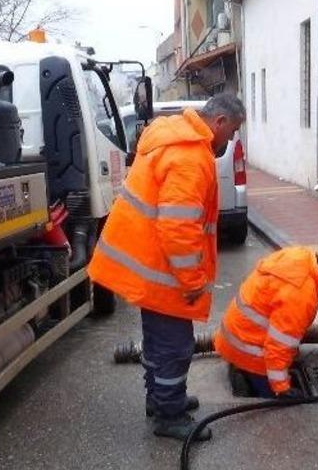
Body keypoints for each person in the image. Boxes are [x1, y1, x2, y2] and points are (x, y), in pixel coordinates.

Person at [88, 93, 245, 442]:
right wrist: (191, 280)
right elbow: (178, 226)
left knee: (159, 341)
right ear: (219, 122)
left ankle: (158, 398)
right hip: (165, 273)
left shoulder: (174, 139)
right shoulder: (191, 156)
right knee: (175, 346)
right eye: (231, 131)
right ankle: (169, 415)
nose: (230, 140)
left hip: (149, 266)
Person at [214, 244, 318, 399]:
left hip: (234, 336)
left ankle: (244, 374)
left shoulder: (301, 256)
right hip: (248, 352)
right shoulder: (301, 295)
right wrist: (281, 389)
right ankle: (252, 381)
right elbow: (278, 346)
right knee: (273, 401)